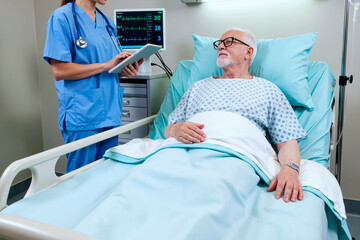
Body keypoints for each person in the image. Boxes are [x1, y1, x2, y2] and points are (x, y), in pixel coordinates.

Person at [164, 28, 307, 203]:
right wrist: (175, 129)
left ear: (249, 51)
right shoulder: (198, 87)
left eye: (229, 41)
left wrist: (290, 169)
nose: (221, 46)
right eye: (219, 43)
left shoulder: (268, 89)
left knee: (209, 191)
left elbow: (287, 141)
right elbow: (169, 129)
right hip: (184, 153)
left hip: (234, 157)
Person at [43, 0, 144, 172]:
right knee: (80, 180)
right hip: (83, 115)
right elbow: (59, 70)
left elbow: (109, 67)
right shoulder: (62, 18)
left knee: (102, 177)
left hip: (110, 113)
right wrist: (105, 65)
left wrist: (124, 68)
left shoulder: (107, 24)